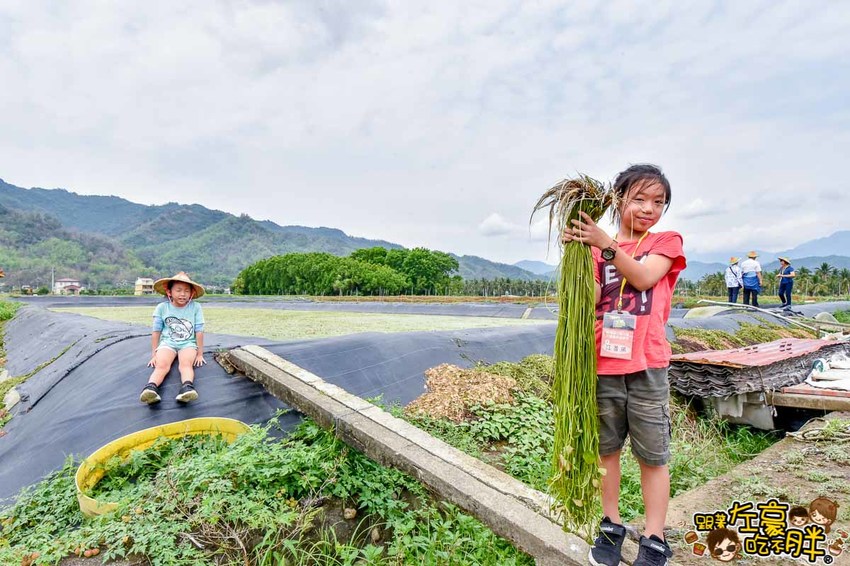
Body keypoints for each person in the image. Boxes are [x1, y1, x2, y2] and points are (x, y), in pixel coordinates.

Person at [563, 164, 685, 566]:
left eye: (659, 201)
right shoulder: (596, 247)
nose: (649, 208)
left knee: (653, 457)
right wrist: (578, 256)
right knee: (606, 452)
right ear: (617, 199)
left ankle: (653, 538)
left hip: (648, 364)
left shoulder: (665, 241)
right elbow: (592, 295)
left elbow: (646, 278)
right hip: (602, 365)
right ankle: (611, 526)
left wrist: (606, 244)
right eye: (639, 198)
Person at [139, 272, 206, 404]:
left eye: (187, 291)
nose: (183, 294)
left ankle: (187, 388)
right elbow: (156, 331)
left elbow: (199, 331)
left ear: (192, 293)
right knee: (162, 365)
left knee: (186, 364)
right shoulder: (162, 308)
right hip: (167, 343)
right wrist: (154, 354)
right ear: (169, 292)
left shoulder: (195, 307)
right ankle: (151, 389)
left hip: (188, 344)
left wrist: (200, 353)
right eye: (179, 290)